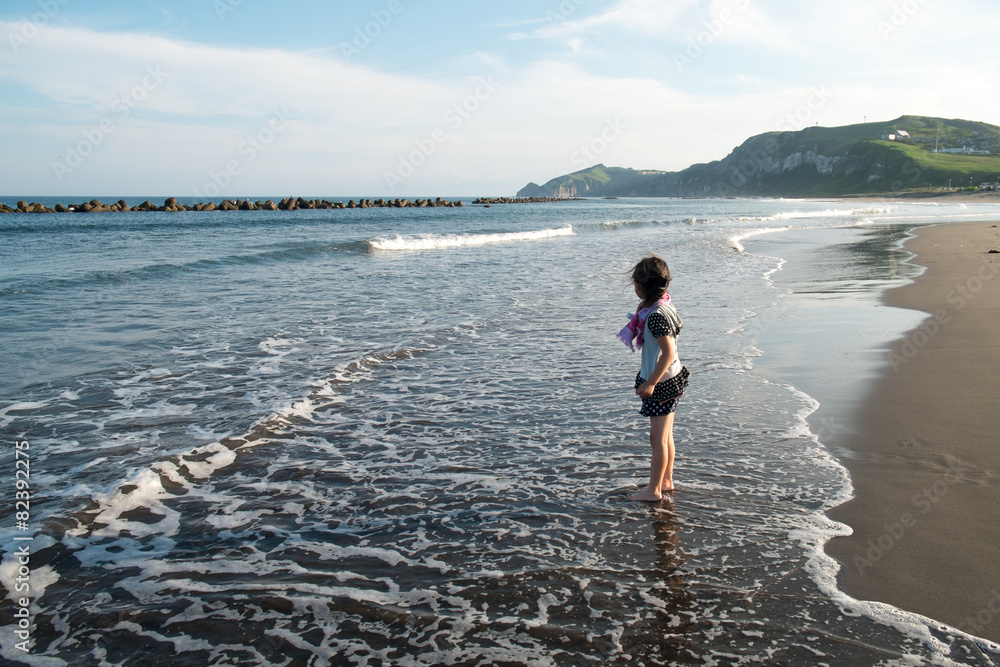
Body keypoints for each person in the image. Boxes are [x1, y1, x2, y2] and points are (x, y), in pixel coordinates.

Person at [618, 255, 690, 502]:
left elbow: (667, 352)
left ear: (641, 286)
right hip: (673, 378)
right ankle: (666, 481)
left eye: (636, 283)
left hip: (662, 383)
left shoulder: (656, 315)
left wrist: (651, 383)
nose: (634, 287)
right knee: (665, 437)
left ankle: (654, 491)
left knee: (657, 440)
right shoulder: (664, 304)